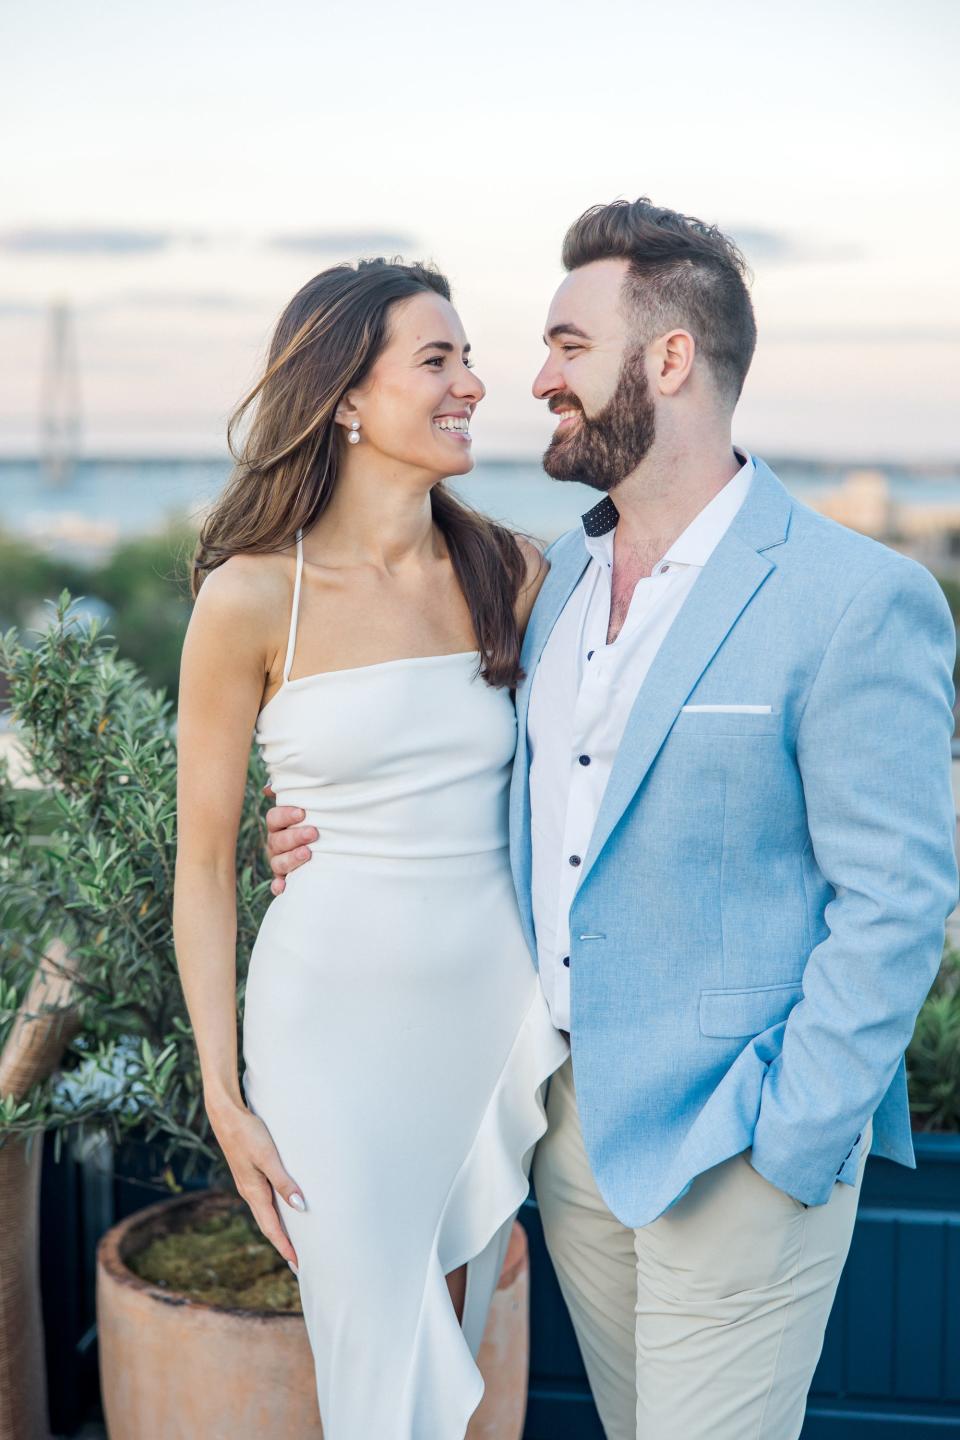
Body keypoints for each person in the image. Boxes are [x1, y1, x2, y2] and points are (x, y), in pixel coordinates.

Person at [266, 200, 959, 1439]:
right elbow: (469, 781)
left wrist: (787, 1143)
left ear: (671, 359)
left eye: (567, 345)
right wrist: (325, 833)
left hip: (739, 1143)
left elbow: (899, 902)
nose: (531, 380)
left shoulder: (859, 600)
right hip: (571, 1134)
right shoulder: (547, 581)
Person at [172, 257, 569, 1440]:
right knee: (374, 1372)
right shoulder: (249, 597)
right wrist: (222, 1089)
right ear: (346, 395)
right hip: (328, 1035)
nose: (474, 385)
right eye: (437, 360)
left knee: (460, 1344)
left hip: (493, 1017)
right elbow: (204, 865)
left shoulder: (516, 571)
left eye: (467, 359)